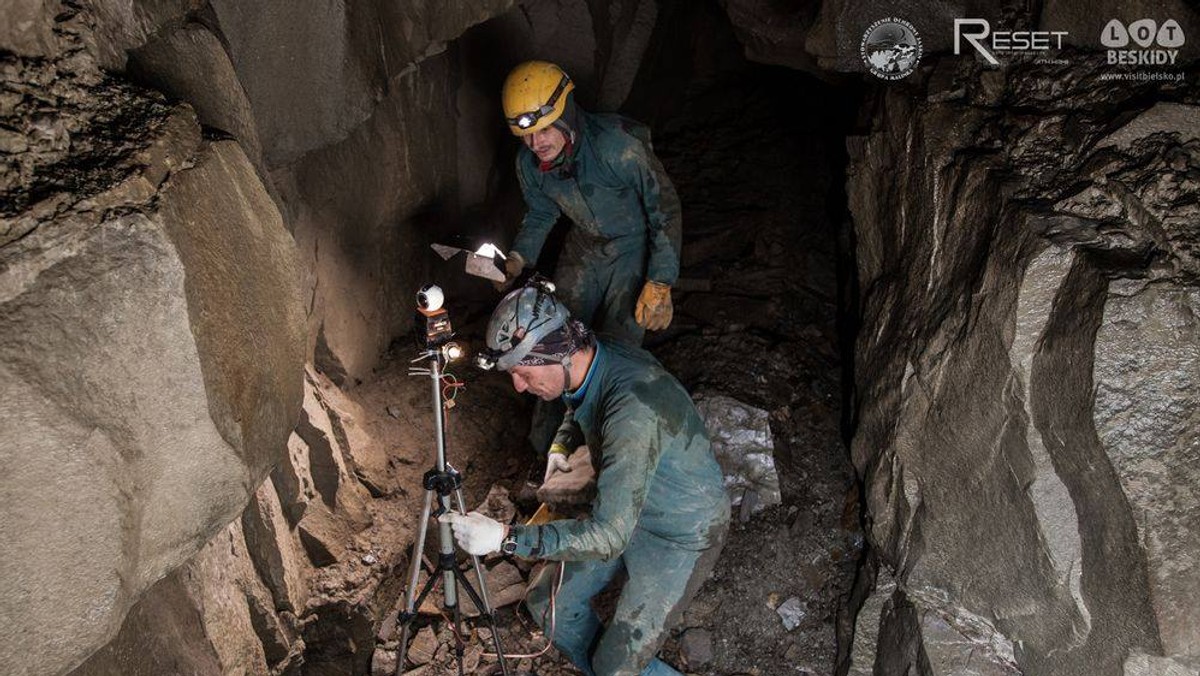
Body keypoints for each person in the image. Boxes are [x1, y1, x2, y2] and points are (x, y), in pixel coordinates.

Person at [448, 280, 729, 676]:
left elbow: (609, 535)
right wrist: (562, 446)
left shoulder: (631, 414)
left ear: (556, 353)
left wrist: (505, 538)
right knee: (548, 607)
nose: (518, 385)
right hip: (627, 503)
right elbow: (574, 401)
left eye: (524, 373)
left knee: (616, 666)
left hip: (681, 531)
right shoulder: (590, 354)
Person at [497, 60, 682, 344]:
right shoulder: (528, 164)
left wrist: (660, 279)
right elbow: (541, 213)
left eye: (544, 130)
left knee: (621, 342)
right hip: (583, 247)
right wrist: (517, 259)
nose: (535, 143)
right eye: (525, 135)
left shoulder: (617, 145)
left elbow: (664, 209)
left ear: (565, 117)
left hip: (632, 247)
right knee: (555, 332)